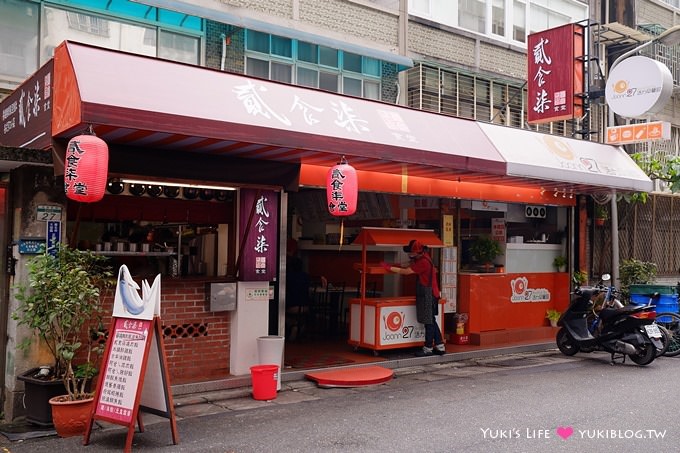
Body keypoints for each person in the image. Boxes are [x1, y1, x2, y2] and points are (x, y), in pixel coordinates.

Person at [381, 239, 445, 357]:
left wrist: (389, 267)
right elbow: (408, 265)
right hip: (431, 293)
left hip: (428, 294)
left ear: (417, 252)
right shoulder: (424, 257)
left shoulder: (423, 262)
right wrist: (397, 265)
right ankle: (440, 346)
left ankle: (428, 348)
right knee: (431, 320)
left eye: (411, 252)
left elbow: (406, 271)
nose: (409, 254)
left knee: (428, 323)